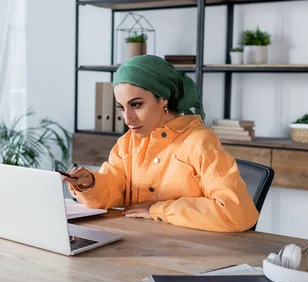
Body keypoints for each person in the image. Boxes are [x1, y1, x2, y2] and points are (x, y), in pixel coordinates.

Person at [62, 55, 259, 232]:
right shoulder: (127, 143)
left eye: (136, 105)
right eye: (121, 107)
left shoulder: (199, 142)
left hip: (191, 256)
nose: (128, 118)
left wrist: (159, 210)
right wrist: (90, 183)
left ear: (163, 99)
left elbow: (235, 213)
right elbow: (113, 188)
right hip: (138, 247)